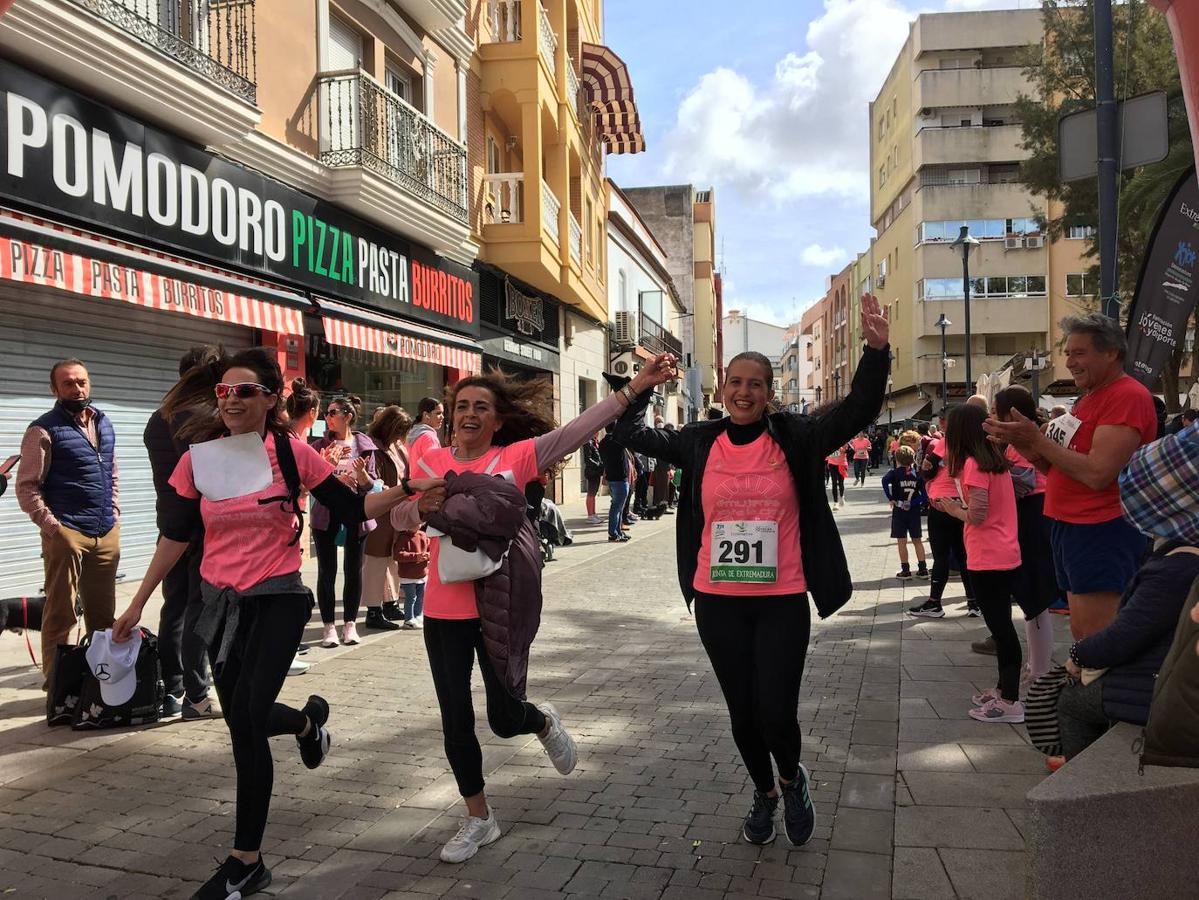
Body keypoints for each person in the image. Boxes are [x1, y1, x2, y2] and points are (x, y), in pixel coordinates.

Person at [111, 348, 441, 899]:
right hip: (220, 607)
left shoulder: (291, 455)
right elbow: (177, 535)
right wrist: (136, 604)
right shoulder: (197, 459)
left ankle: (246, 862)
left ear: (269, 398)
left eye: (244, 391)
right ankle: (310, 726)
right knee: (246, 716)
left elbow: (355, 507)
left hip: (279, 600)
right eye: (224, 391)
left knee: (244, 722)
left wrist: (409, 489)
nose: (232, 400)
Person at [611, 294, 890, 848]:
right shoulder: (699, 440)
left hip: (782, 595)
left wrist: (876, 350)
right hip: (717, 600)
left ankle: (792, 779)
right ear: (724, 389)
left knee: (775, 710)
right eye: (735, 382)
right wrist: (640, 386)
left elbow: (858, 409)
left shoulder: (796, 436)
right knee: (742, 712)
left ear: (768, 393)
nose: (743, 391)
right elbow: (628, 437)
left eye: (755, 384)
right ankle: (763, 792)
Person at [397, 356, 678, 863]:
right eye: (461, 406)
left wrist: (636, 387)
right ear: (450, 415)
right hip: (443, 611)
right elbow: (398, 513)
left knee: (504, 719)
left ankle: (542, 722)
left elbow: (578, 430)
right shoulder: (430, 462)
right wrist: (416, 505)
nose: (469, 414)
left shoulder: (518, 456)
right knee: (454, 718)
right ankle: (479, 818)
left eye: (481, 407)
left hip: (499, 605)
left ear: (497, 419)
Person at [984, 313, 1158, 640]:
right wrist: (1026, 445)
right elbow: (1058, 469)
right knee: (1081, 630)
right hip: (1072, 525)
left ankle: (1092, 690)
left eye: (1079, 353)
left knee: (1096, 636)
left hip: (1101, 527)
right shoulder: (1088, 399)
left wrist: (1035, 440)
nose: (1069, 362)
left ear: (1112, 353)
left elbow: (1097, 474)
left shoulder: (1127, 396)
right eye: (1068, 353)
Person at [17, 359, 119, 682]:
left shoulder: (103, 423)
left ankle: (102, 681)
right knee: (61, 614)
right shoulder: (42, 429)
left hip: (105, 531)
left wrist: (114, 513)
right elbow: (26, 487)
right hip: (66, 533)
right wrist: (55, 530)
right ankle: (58, 686)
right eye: (68, 383)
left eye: (82, 381)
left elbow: (111, 473)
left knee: (104, 618)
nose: (78, 388)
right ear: (54, 389)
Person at [932, 404, 1024, 723]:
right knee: (1001, 628)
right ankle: (1003, 690)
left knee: (1001, 629)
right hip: (1001, 551)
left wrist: (951, 509)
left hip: (989, 555)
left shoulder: (973, 466)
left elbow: (978, 516)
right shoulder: (992, 462)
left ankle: (1010, 701)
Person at [143, 346, 220, 719]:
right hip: (203, 527)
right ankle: (196, 694)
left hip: (169, 525)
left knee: (173, 607)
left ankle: (171, 689)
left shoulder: (160, 417)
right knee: (196, 609)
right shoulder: (208, 417)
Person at [991, 387, 1055, 683]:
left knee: (1035, 594)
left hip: (1035, 512)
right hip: (1028, 513)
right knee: (1030, 597)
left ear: (1011, 413)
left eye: (996, 411)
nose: (992, 416)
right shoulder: (1015, 441)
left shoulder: (1031, 437)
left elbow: (1029, 479)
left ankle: (1040, 668)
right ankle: (1035, 664)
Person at [311, 396, 379, 648]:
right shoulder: (319, 444)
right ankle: (329, 626)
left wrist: (361, 475)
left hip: (356, 514)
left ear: (347, 416)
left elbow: (372, 484)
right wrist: (330, 472)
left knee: (353, 571)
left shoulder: (365, 446)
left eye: (332, 412)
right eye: (326, 413)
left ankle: (349, 624)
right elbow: (311, 479)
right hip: (326, 514)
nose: (327, 417)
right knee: (326, 572)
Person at [909, 411, 977, 618]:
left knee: (941, 556)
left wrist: (928, 470)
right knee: (963, 555)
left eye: (944, 419)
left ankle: (934, 602)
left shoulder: (945, 443)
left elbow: (927, 470)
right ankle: (974, 602)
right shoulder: (974, 444)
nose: (940, 423)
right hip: (961, 502)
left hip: (942, 503)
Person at [362, 406, 414, 631]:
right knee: (375, 561)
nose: (402, 436)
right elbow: (373, 482)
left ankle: (389, 602)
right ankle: (373, 610)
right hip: (379, 511)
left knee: (392, 560)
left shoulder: (396, 447)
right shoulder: (372, 448)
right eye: (400, 430)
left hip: (396, 510)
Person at [283, 378, 322, 677]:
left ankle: (288, 648)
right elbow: (295, 491)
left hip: (288, 525)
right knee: (289, 590)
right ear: (312, 413)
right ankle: (285, 652)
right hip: (285, 528)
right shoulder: (294, 444)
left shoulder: (286, 440)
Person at [883, 445, 928, 581]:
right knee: (917, 540)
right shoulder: (917, 474)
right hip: (913, 511)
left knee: (901, 541)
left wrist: (891, 498)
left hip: (899, 510)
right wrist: (914, 503)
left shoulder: (894, 473)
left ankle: (906, 570)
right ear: (913, 459)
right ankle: (922, 569)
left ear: (897, 459)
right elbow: (925, 495)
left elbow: (884, 481)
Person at [599, 424, 630, 543]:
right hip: (620, 478)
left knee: (618, 506)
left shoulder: (603, 442)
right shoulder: (617, 441)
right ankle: (613, 533)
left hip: (611, 477)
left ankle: (618, 531)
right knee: (617, 507)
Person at [581, 432, 603, 524]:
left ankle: (593, 513)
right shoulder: (588, 442)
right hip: (592, 472)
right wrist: (599, 465)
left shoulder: (594, 442)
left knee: (593, 494)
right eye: (596, 431)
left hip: (596, 471)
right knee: (591, 493)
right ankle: (590, 515)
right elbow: (588, 459)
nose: (598, 433)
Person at [825, 444, 848, 509]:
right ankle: (835, 503)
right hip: (832, 463)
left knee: (841, 482)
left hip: (842, 464)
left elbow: (851, 450)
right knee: (834, 482)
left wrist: (844, 450)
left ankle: (841, 496)